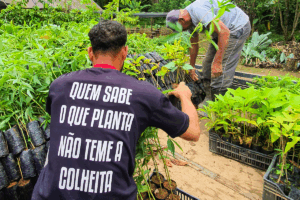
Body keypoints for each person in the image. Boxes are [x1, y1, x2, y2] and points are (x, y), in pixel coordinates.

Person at [31, 20, 201, 200]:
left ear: (90, 52)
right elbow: (193, 132)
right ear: (125, 52)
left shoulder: (60, 86)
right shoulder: (143, 93)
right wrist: (185, 96)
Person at [166, 0, 251, 113]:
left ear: (182, 20)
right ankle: (209, 99)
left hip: (236, 28)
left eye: (180, 28)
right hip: (219, 32)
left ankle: (218, 106)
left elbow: (224, 32)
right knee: (206, 65)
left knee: (221, 69)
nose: (183, 31)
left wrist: (217, 62)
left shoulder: (199, 12)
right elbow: (193, 45)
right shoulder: (188, 19)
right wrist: (191, 68)